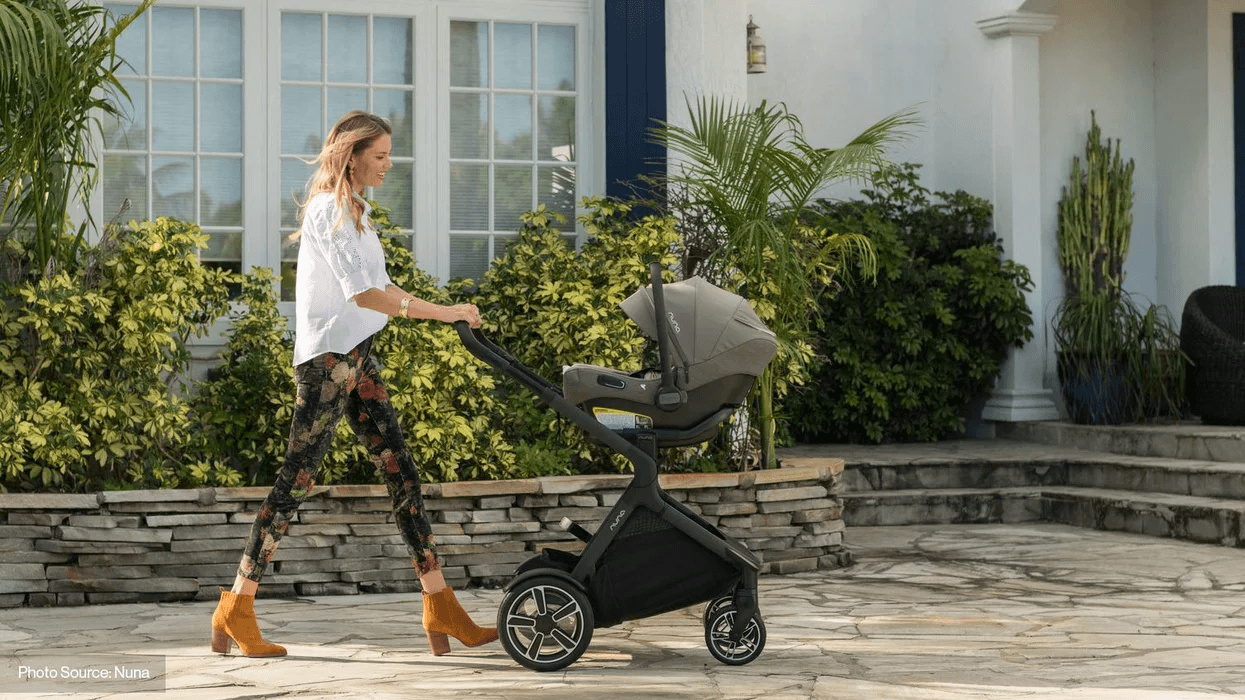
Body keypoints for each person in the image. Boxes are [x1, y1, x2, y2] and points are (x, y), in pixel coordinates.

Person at [210, 110, 496, 658]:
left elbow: (382, 284)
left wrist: (444, 310)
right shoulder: (327, 211)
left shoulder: (359, 213)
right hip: (327, 361)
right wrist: (444, 311)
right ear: (353, 156)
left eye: (390, 154)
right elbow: (364, 295)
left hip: (358, 357)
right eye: (381, 155)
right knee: (297, 480)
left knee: (401, 471)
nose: (390, 164)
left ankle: (440, 605)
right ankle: (236, 607)